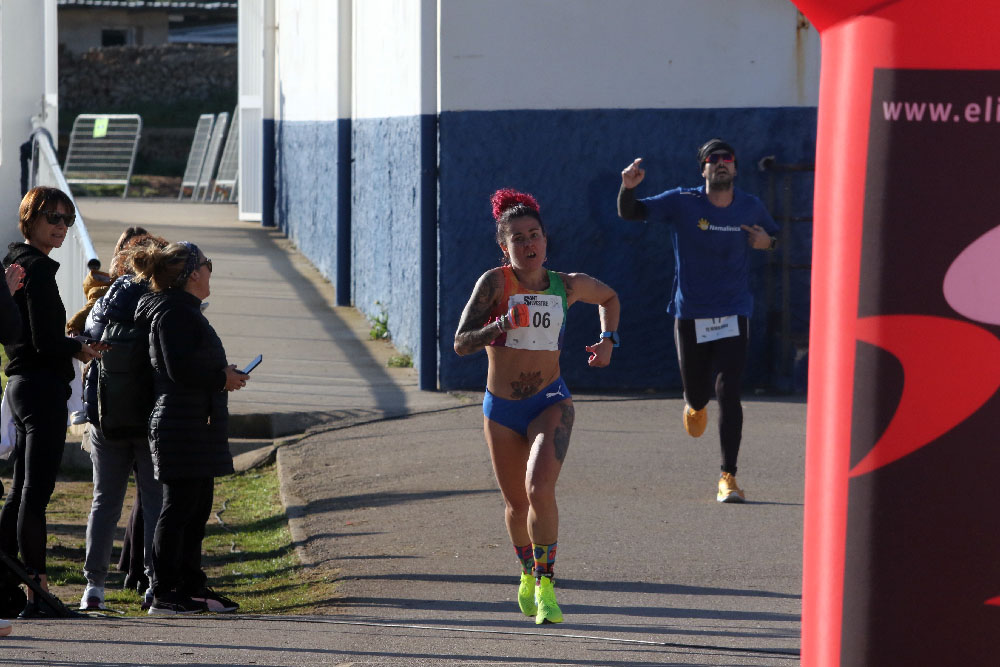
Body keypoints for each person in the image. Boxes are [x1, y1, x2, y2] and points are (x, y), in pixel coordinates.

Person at [454, 189, 620, 625]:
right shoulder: (495, 284)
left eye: (535, 235)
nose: (528, 245)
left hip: (551, 402)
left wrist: (608, 341)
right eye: (517, 238)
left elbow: (610, 298)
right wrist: (500, 325)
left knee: (538, 490)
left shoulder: (566, 285)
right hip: (502, 410)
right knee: (515, 506)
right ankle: (527, 571)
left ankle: (547, 583)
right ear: (503, 246)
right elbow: (459, 343)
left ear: (546, 239)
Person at [617, 138, 780, 503]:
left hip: (734, 312)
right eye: (712, 159)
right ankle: (694, 403)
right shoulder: (683, 202)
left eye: (727, 159)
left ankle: (728, 477)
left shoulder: (750, 206)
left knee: (729, 391)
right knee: (698, 392)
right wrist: (628, 189)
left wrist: (767, 245)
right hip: (691, 314)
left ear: (735, 168)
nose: (720, 163)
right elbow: (632, 212)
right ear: (702, 169)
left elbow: (776, 237)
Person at [0, 186, 104, 618]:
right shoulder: (38, 270)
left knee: (20, 492)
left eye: (67, 219)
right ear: (30, 220)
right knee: (35, 494)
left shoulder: (13, 263)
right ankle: (35, 588)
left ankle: (11, 583)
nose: (61, 227)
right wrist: (78, 346)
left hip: (22, 385)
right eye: (52, 218)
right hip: (40, 387)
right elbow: (43, 341)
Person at [132, 241, 248, 615]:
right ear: (193, 274)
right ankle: (165, 591)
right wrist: (220, 378)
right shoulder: (173, 313)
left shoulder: (184, 310)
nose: (211, 271)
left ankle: (191, 586)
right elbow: (176, 369)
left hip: (195, 423)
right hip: (179, 424)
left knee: (196, 508)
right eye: (208, 265)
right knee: (179, 508)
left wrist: (221, 378)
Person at [78, 233, 168, 612]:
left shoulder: (108, 299)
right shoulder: (162, 300)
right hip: (149, 420)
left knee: (104, 502)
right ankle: (153, 583)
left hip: (107, 417)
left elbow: (89, 342)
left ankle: (93, 588)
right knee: (154, 501)